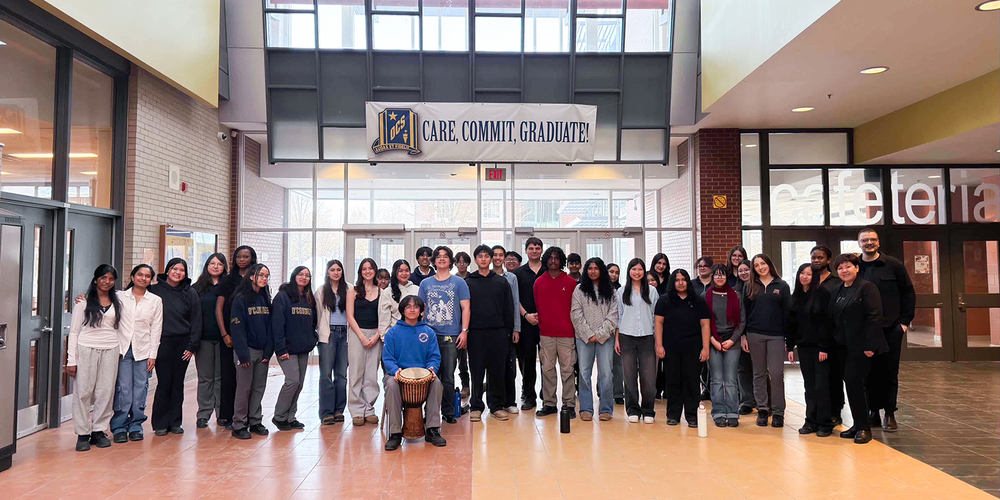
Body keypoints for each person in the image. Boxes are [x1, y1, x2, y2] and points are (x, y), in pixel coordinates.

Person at [857, 228, 915, 433]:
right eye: (865, 240)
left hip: (890, 329)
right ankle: (873, 411)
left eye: (872, 240)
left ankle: (889, 412)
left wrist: (904, 323)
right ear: (859, 243)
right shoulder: (855, 266)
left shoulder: (893, 265)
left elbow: (908, 293)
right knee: (868, 373)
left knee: (889, 372)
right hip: (864, 330)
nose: (869, 243)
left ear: (878, 242)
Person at [829, 253, 888, 444]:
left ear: (856, 268)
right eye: (840, 268)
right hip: (842, 346)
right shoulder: (838, 289)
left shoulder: (867, 287)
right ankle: (857, 424)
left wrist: (870, 345)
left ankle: (864, 428)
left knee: (858, 384)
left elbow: (874, 317)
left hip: (862, 346)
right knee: (850, 384)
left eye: (848, 266)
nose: (844, 271)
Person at [67, 265, 123, 451]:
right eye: (103, 278)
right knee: (83, 392)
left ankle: (99, 431)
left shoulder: (118, 300)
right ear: (95, 279)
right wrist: (71, 360)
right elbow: (73, 332)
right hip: (86, 349)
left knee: (105, 392)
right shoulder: (82, 302)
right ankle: (83, 434)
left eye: (111, 279)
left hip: (111, 349)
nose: (107, 282)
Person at [382, 296, 447, 451]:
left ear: (421, 310)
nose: (412, 310)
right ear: (402, 310)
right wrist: (395, 371)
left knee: (437, 383)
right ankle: (395, 433)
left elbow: (434, 357)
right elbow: (388, 358)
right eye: (408, 307)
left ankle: (432, 429)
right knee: (391, 385)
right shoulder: (393, 333)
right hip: (397, 374)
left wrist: (431, 369)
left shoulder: (428, 332)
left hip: (423, 375)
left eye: (416, 307)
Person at [418, 246, 471, 424]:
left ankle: (448, 411)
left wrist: (464, 331)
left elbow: (466, 308)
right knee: (429, 376)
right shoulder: (425, 284)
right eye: (438, 256)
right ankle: (430, 412)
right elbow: (421, 310)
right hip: (429, 337)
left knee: (448, 376)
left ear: (450, 261)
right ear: (434, 260)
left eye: (445, 256)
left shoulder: (459, 282)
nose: (441, 259)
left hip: (451, 336)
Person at [149, 258, 202, 436]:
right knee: (164, 382)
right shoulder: (154, 290)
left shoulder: (190, 292)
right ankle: (160, 423)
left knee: (178, 382)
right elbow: (132, 294)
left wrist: (192, 345)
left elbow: (196, 319)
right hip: (162, 342)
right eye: (174, 269)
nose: (178, 272)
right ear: (167, 270)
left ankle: (175, 422)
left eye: (182, 270)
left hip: (183, 344)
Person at [111, 265, 163, 443]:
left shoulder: (155, 300)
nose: (143, 278)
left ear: (151, 280)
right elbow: (100, 300)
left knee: (141, 388)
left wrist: (153, 354)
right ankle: (119, 426)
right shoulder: (119, 297)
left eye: (147, 276)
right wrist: (82, 298)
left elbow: (156, 328)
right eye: (140, 275)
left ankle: (136, 425)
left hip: (144, 350)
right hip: (123, 349)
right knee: (124, 388)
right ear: (132, 277)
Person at [655, 269, 711, 427]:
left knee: (692, 381)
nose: (680, 283)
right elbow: (658, 323)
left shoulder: (698, 300)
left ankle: (692, 416)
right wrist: (659, 345)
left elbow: (705, 325)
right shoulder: (664, 300)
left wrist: (705, 348)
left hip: (693, 347)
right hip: (671, 347)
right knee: (673, 381)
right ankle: (673, 415)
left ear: (688, 281)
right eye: (677, 280)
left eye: (684, 279)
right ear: (672, 282)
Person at [466, 245, 515, 421]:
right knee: (476, 371)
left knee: (497, 371)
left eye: (487, 256)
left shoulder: (501, 282)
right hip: (475, 334)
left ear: (491, 259)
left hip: (498, 333)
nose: (484, 259)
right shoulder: (468, 282)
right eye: (480, 256)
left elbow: (509, 308)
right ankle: (476, 406)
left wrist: (508, 332)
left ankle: (496, 406)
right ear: (475, 259)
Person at [786, 263, 834, 437]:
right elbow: (791, 325)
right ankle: (811, 420)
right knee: (809, 386)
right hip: (804, 347)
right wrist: (790, 347)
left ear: (814, 277)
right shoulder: (796, 296)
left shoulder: (822, 294)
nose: (804, 276)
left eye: (808, 274)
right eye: (802, 273)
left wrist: (824, 347)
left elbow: (827, 322)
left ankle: (825, 423)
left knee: (821, 386)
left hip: (820, 348)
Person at [744, 253, 790, 428]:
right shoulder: (749, 286)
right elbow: (744, 312)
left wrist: (788, 339)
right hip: (754, 334)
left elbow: (787, 313)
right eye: (756, 265)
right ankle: (762, 410)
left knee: (777, 373)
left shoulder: (782, 286)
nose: (760, 267)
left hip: (776, 335)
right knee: (759, 373)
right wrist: (743, 336)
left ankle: (778, 412)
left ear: (769, 264)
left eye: (763, 263)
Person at [215, 245, 257, 429]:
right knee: (229, 376)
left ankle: (247, 416)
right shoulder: (228, 280)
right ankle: (227, 415)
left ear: (252, 258)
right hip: (230, 335)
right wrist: (224, 333)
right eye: (239, 256)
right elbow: (218, 308)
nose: (242, 259)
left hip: (250, 337)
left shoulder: (256, 279)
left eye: (246, 256)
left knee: (247, 380)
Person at [571, 257, 618, 422]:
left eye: (596, 268)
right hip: (584, 338)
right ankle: (586, 408)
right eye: (590, 268)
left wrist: (601, 334)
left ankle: (606, 409)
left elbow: (614, 314)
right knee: (584, 373)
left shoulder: (611, 290)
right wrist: (589, 335)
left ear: (601, 270)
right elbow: (575, 314)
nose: (593, 271)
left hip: (606, 338)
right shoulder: (579, 289)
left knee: (606, 373)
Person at [271, 266, 318, 431]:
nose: (304, 277)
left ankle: (290, 417)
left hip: (303, 348)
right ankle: (279, 416)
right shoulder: (282, 296)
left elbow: (313, 322)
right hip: (287, 349)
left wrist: (312, 339)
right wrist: (281, 348)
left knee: (299, 384)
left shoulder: (308, 298)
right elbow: (277, 324)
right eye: (300, 274)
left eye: (307, 275)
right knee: (292, 381)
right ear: (294, 276)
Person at [533, 246, 578, 418]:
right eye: (550, 258)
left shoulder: (570, 282)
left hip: (567, 334)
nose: (553, 261)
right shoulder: (539, 282)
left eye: (556, 258)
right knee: (547, 369)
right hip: (546, 334)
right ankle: (549, 404)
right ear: (546, 260)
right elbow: (537, 305)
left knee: (568, 370)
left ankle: (569, 404)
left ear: (561, 261)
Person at [229, 264, 273, 439]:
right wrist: (242, 354)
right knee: (244, 388)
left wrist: (268, 351)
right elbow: (237, 328)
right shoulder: (240, 299)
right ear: (252, 276)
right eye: (261, 275)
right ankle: (239, 424)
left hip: (262, 352)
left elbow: (270, 327)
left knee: (258, 388)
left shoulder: (265, 298)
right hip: (246, 351)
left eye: (267, 276)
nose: (264, 279)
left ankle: (255, 421)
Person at [616, 258, 659, 423]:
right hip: (626, 336)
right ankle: (632, 409)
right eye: (634, 269)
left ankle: (648, 410)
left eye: (640, 269)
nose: (637, 272)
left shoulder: (652, 291)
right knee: (629, 375)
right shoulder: (621, 292)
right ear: (629, 271)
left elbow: (656, 316)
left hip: (647, 337)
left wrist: (657, 339)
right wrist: (617, 339)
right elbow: (619, 316)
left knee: (648, 376)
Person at [705, 264, 744, 428]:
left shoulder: (736, 295)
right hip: (713, 341)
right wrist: (713, 341)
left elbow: (742, 321)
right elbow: (703, 323)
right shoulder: (705, 296)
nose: (719, 277)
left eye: (722, 275)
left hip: (732, 342)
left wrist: (732, 340)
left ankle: (733, 412)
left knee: (730, 379)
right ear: (712, 277)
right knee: (716, 379)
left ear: (727, 277)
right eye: (716, 274)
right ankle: (719, 412)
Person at [192, 253, 227, 429]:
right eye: (212, 263)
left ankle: (222, 413)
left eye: (219, 264)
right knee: (205, 378)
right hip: (203, 339)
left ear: (224, 267)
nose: (215, 266)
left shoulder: (229, 286)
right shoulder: (197, 287)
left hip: (224, 340)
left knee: (221, 378)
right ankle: (203, 414)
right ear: (206, 265)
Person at [811, 244, 844, 426]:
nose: (816, 260)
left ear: (829, 260)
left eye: (820, 257)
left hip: (833, 338)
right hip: (813, 338)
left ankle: (836, 411)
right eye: (814, 257)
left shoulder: (836, 282)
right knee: (818, 380)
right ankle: (819, 411)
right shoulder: (809, 280)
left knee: (834, 376)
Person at [347, 258, 382, 427]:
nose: (367, 271)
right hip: (357, 333)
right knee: (356, 372)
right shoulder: (353, 291)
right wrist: (361, 336)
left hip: (376, 335)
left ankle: (369, 408)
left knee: (371, 374)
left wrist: (376, 336)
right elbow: (350, 316)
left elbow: (385, 318)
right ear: (360, 272)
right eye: (364, 269)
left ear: (375, 271)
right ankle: (356, 410)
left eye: (370, 268)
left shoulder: (382, 292)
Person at [513, 237, 545, 410]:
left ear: (541, 250)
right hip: (526, 323)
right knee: (527, 361)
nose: (534, 251)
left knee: (547, 362)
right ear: (526, 251)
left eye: (537, 248)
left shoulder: (549, 270)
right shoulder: (518, 273)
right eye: (531, 248)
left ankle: (547, 395)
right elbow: (515, 299)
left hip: (547, 324)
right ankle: (528, 396)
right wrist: (526, 315)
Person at [316, 260, 350, 425]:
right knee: (326, 374)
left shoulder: (349, 289)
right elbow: (317, 316)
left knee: (342, 375)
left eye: (338, 269)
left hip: (346, 335)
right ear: (327, 272)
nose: (336, 272)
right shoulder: (321, 291)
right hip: (328, 335)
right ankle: (326, 412)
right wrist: (322, 332)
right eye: (332, 270)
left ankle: (338, 410)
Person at [491, 245, 521, 415]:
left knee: (509, 367)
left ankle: (510, 401)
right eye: (495, 255)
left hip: (508, 329)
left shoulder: (512, 278)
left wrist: (516, 328)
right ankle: (496, 403)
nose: (497, 258)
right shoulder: (485, 276)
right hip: (491, 330)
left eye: (500, 255)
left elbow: (516, 304)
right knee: (494, 368)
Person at [379, 259, 419, 341]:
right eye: (400, 271)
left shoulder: (417, 289)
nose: (404, 273)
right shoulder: (388, 292)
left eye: (407, 271)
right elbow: (384, 319)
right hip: (395, 336)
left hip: (415, 334)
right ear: (395, 272)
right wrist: (385, 339)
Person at [735, 260, 756, 415]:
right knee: (743, 368)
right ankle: (746, 401)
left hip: (758, 333)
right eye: (740, 271)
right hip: (741, 334)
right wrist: (742, 335)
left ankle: (763, 401)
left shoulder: (759, 289)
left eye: (746, 270)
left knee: (760, 369)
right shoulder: (735, 291)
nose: (743, 273)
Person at [453, 251, 472, 397]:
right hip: (456, 323)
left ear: (468, 263)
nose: (461, 264)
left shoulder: (473, 278)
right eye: (458, 261)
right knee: (460, 357)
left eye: (464, 261)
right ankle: (464, 385)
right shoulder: (452, 279)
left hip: (472, 322)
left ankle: (476, 385)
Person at [607, 263, 625, 405]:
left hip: (618, 330)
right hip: (603, 330)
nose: (614, 275)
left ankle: (618, 392)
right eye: (611, 271)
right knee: (605, 364)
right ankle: (603, 391)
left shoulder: (622, 290)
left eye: (617, 272)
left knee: (618, 363)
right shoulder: (601, 288)